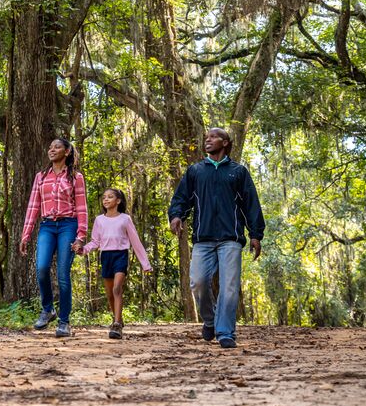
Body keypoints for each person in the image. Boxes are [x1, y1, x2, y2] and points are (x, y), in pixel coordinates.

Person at [169, 128, 265, 349]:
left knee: (229, 286)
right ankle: (211, 321)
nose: (208, 140)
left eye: (213, 137)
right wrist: (176, 216)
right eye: (206, 138)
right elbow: (182, 198)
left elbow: (251, 204)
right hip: (203, 238)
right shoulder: (195, 171)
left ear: (225, 142)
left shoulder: (238, 172)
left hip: (230, 238)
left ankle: (225, 332)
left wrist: (255, 235)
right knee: (198, 282)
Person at [19, 138, 88, 338]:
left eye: (57, 147)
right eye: (50, 147)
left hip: (68, 225)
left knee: (63, 274)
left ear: (66, 152)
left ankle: (64, 322)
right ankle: (48, 309)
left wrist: (81, 235)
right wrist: (26, 234)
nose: (52, 150)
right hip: (47, 225)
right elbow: (33, 206)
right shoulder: (41, 177)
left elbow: (82, 208)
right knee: (41, 268)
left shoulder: (76, 177)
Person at [74, 188, 152, 339]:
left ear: (118, 201)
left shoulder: (125, 219)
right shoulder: (99, 220)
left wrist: (145, 264)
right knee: (110, 293)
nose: (106, 199)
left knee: (117, 288)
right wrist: (83, 250)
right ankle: (118, 319)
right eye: (104, 197)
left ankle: (116, 325)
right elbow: (96, 241)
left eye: (110, 197)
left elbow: (135, 242)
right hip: (106, 256)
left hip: (121, 255)